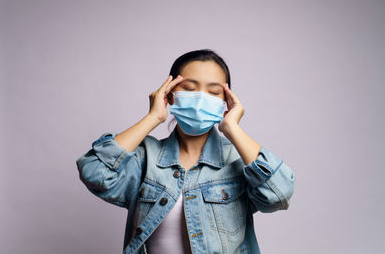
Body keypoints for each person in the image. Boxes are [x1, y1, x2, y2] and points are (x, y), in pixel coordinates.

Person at [76, 49, 296, 254]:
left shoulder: (240, 159)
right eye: (189, 89)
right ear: (170, 94)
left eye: (213, 92)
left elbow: (279, 194)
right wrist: (153, 118)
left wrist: (233, 129)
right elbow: (94, 172)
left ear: (225, 101)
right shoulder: (146, 157)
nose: (200, 98)